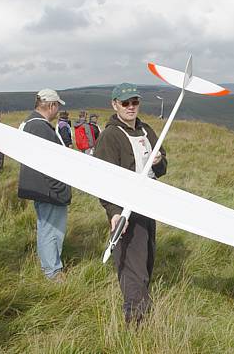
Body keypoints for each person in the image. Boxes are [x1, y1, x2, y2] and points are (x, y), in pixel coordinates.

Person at [94, 83, 167, 325]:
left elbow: (163, 167)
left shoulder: (146, 130)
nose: (130, 107)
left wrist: (158, 160)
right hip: (125, 209)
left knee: (147, 256)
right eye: (125, 103)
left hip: (150, 204)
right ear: (114, 104)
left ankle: (143, 301)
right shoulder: (110, 136)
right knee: (131, 263)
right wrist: (115, 214)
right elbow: (102, 180)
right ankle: (135, 319)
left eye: (134, 102)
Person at [18, 89, 72, 282]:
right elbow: (49, 164)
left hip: (41, 187)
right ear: (51, 105)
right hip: (48, 189)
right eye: (57, 106)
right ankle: (52, 271)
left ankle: (50, 267)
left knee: (46, 227)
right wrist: (60, 189)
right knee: (51, 230)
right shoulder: (40, 127)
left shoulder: (29, 123)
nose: (57, 110)